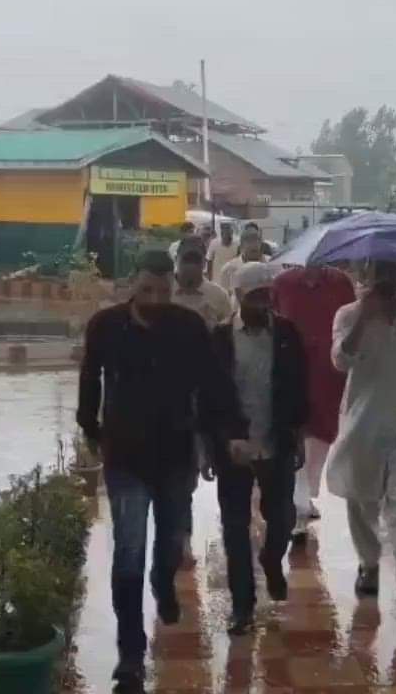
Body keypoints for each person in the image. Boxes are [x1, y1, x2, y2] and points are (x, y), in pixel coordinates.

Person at [77, 250, 250, 691]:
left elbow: (213, 383)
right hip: (126, 457)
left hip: (175, 454)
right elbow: (90, 379)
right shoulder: (106, 327)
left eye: (163, 291)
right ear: (132, 284)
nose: (154, 299)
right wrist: (89, 425)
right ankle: (131, 654)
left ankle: (164, 581)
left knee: (172, 540)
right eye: (146, 289)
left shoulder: (188, 327)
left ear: (173, 288)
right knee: (129, 549)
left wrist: (230, 432)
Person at [327, 259, 396, 623]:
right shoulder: (348, 314)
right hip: (363, 420)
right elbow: (340, 362)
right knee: (361, 498)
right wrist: (365, 317)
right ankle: (369, 562)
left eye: (393, 271)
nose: (386, 279)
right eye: (379, 272)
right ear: (366, 275)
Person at [209, 261, 309, 635]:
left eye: (268, 296)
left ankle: (271, 559)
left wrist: (299, 435)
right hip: (234, 446)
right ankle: (242, 606)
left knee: (281, 516)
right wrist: (216, 442)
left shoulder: (286, 333)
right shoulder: (219, 338)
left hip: (277, 441)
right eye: (255, 297)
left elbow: (299, 387)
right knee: (235, 526)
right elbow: (210, 396)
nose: (264, 303)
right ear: (237, 296)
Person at [271, 260, 358, 541]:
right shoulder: (283, 283)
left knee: (321, 433)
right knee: (295, 431)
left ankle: (306, 495)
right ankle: (297, 503)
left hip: (327, 372)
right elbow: (272, 322)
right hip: (290, 369)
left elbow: (351, 323)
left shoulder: (341, 283)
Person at [169, 236, 232, 569]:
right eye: (185, 264)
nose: (190, 271)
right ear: (177, 264)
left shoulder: (217, 297)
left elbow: (229, 340)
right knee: (175, 475)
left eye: (196, 264)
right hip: (166, 397)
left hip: (204, 397)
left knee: (191, 474)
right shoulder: (162, 294)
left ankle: (183, 539)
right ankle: (179, 540)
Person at [171, 236, 231, 329]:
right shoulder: (162, 291)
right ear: (176, 259)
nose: (191, 266)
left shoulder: (219, 295)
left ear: (204, 263)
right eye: (186, 260)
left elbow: (228, 332)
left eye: (196, 260)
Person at [217, 229, 268, 295]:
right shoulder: (229, 269)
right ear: (241, 246)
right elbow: (224, 297)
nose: (254, 244)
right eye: (249, 241)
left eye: (257, 241)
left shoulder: (270, 264)